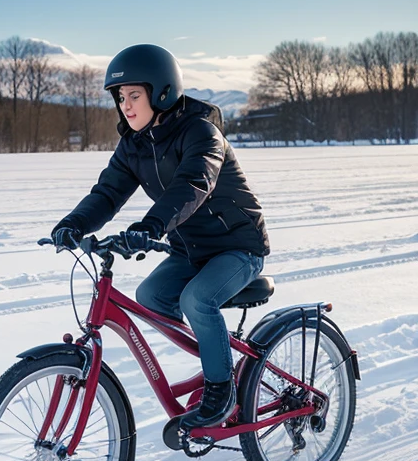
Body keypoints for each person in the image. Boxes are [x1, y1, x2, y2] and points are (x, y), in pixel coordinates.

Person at [51, 44, 270, 431]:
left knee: (197, 299)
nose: (126, 106)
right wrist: (74, 224)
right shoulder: (133, 144)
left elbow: (192, 185)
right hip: (192, 250)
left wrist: (149, 227)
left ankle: (221, 391)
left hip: (238, 246)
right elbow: (108, 192)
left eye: (135, 95)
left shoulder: (202, 132)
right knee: (150, 296)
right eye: (121, 97)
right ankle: (217, 359)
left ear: (163, 91)